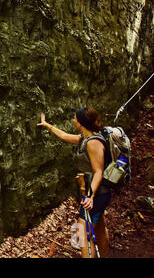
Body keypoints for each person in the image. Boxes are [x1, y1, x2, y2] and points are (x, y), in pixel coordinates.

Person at [37, 107, 111, 258]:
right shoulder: (84, 138)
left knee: (83, 232)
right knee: (99, 228)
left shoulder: (93, 143)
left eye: (75, 119)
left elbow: (98, 172)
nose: (73, 120)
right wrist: (46, 125)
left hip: (96, 195)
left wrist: (90, 196)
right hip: (98, 194)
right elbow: (64, 136)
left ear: (81, 123)